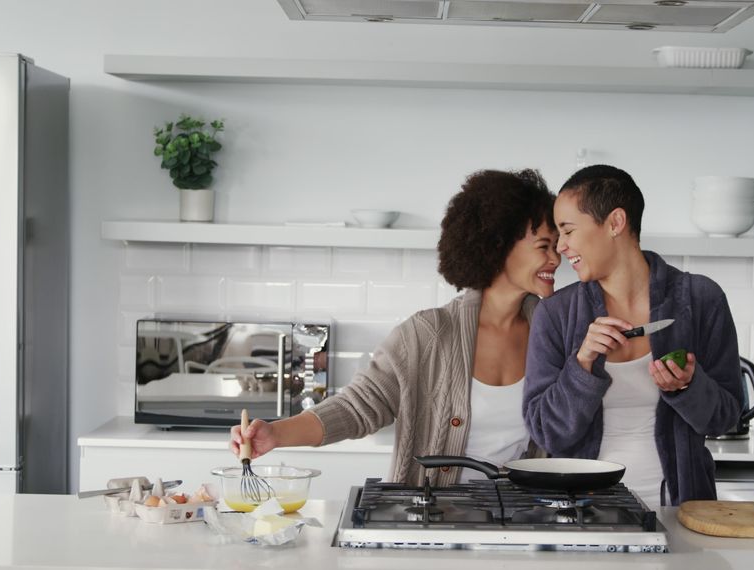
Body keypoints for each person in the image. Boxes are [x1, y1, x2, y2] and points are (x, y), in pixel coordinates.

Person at [230, 169, 560, 486]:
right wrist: (275, 434)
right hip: (435, 519)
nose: (556, 258)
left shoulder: (557, 333)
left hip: (525, 520)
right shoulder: (427, 334)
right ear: (498, 245)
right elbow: (358, 407)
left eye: (557, 246)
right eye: (544, 246)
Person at [523, 164, 743, 508]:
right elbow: (546, 432)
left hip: (682, 508)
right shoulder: (555, 314)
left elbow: (727, 417)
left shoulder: (700, 299)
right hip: (582, 513)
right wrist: (581, 366)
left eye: (567, 231)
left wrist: (688, 387)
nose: (561, 247)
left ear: (615, 223)